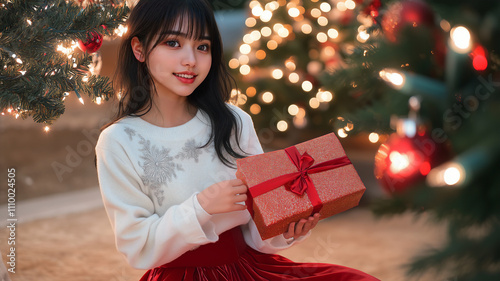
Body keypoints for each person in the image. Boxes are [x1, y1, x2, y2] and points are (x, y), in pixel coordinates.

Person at [95, 0, 380, 280]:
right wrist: (201, 207)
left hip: (247, 267)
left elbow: (257, 235)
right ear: (139, 49)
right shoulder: (118, 141)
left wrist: (286, 230)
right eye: (173, 43)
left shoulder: (234, 121)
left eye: (202, 47)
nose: (191, 60)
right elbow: (137, 246)